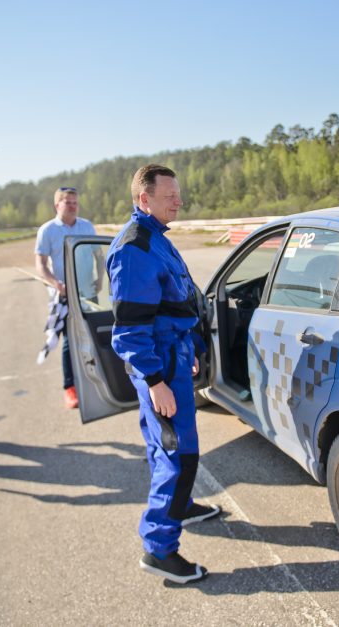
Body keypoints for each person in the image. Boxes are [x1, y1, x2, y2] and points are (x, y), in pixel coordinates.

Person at [107, 164, 221, 584]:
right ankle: (158, 549)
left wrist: (189, 347)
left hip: (172, 356)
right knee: (179, 456)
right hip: (159, 365)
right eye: (170, 195)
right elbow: (132, 329)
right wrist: (155, 381)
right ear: (144, 199)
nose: (179, 200)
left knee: (164, 448)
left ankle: (182, 504)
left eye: (178, 193)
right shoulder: (135, 249)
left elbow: (175, 304)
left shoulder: (157, 239)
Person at [35, 186, 100, 409]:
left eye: (75, 202)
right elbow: (41, 265)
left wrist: (100, 278)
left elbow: (98, 255)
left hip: (88, 292)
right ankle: (70, 388)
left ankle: (98, 379)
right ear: (57, 205)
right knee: (70, 342)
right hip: (64, 295)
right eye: (68, 202)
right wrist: (56, 284)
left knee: (92, 335)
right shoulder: (47, 230)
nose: (72, 206)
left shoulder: (86, 226)